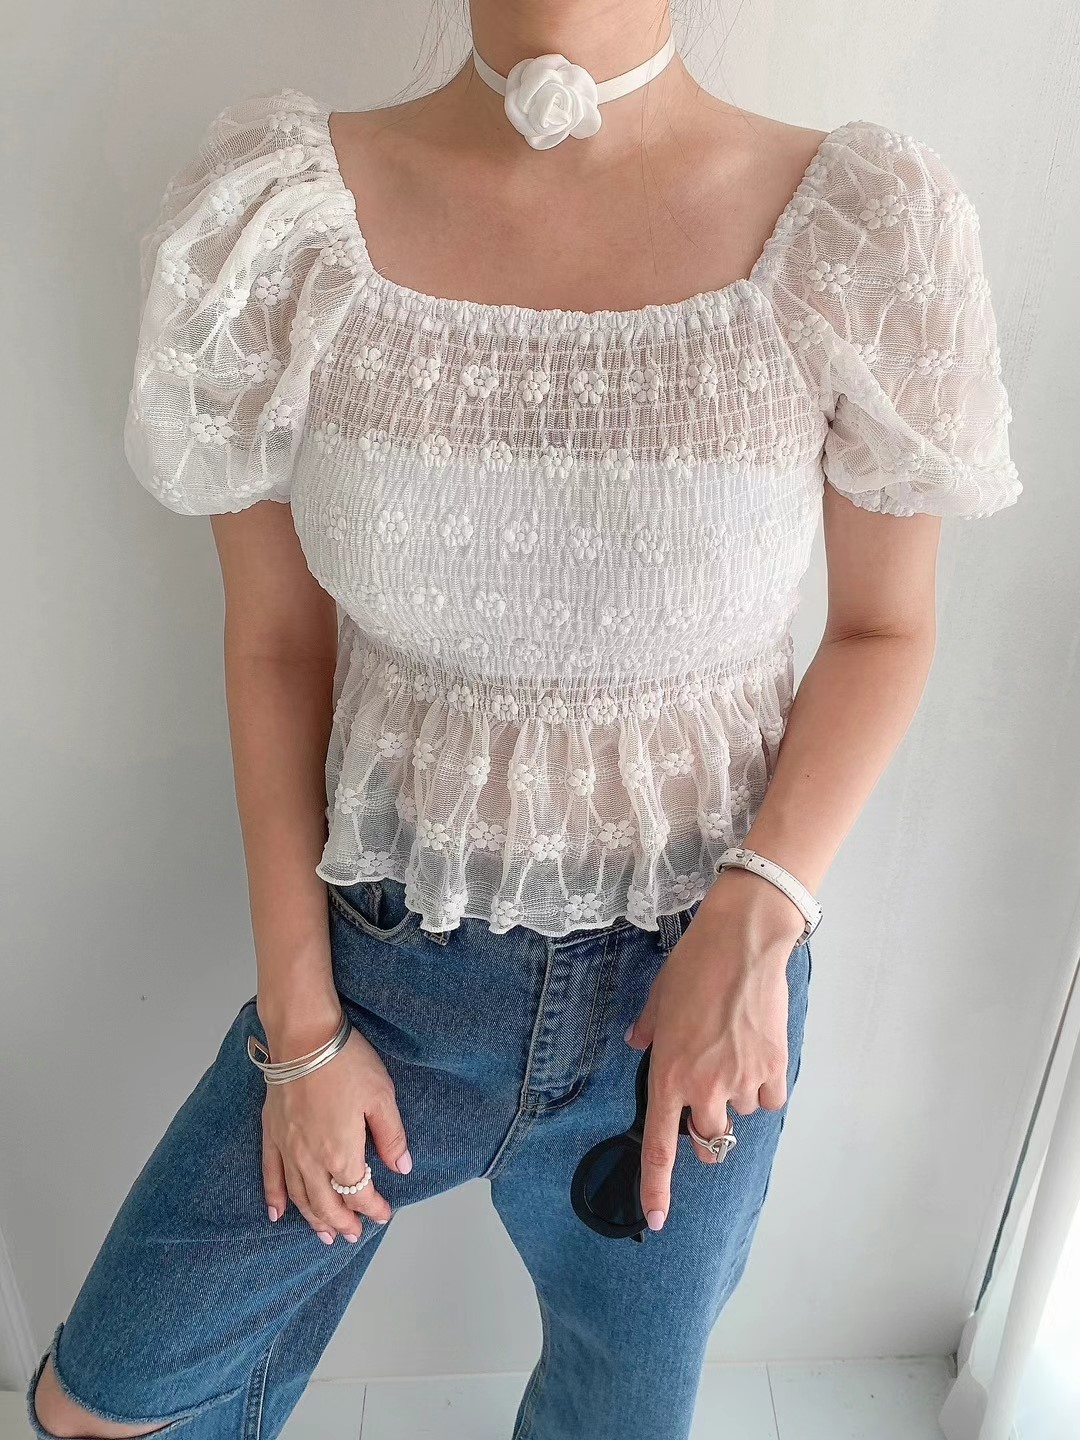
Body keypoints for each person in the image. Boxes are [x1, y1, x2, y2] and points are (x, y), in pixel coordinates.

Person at [28, 3, 1022, 1438]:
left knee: (617, 1415)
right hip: (382, 968)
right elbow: (275, 646)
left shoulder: (854, 227)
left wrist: (757, 919)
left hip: (693, 998)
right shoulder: (283, 217)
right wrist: (301, 1033)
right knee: (107, 1401)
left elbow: (885, 630)